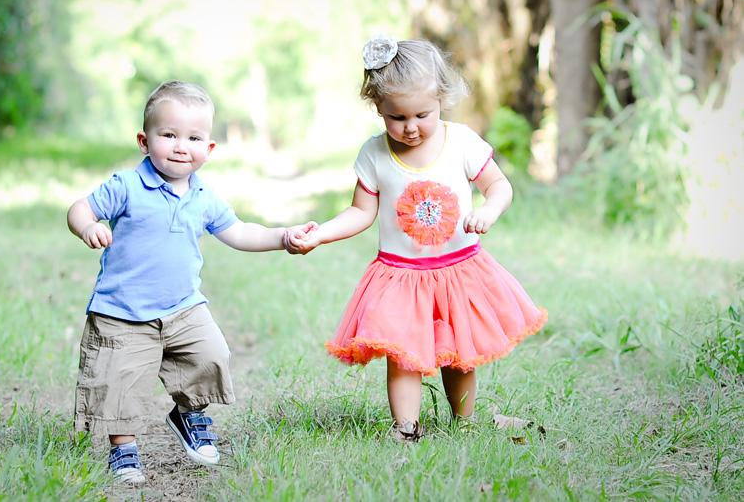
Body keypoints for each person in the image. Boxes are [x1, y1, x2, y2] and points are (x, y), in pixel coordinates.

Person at [285, 35, 547, 441]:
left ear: (442, 98)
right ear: (379, 109)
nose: (410, 128)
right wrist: (321, 234)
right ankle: (406, 427)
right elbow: (361, 212)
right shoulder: (374, 154)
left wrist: (488, 210)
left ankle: (465, 421)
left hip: (458, 269)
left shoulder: (460, 141)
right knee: (402, 354)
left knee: (460, 355)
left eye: (422, 115)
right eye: (397, 118)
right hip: (401, 274)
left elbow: (499, 186)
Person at [68, 80, 311, 483]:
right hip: (122, 312)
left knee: (211, 354)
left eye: (193, 137)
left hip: (183, 307)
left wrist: (282, 237)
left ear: (209, 148)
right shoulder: (127, 186)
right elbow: (80, 207)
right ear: (145, 142)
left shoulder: (203, 196)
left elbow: (240, 232)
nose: (182, 146)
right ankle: (124, 450)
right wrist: (87, 226)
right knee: (121, 382)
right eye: (169, 135)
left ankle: (188, 415)